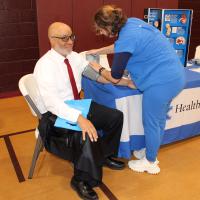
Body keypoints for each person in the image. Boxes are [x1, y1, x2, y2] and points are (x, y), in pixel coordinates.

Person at [33, 22, 129, 200]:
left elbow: (96, 75)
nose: (70, 42)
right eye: (64, 38)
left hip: (76, 105)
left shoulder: (74, 57)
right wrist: (79, 118)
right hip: (53, 115)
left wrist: (121, 80)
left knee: (115, 117)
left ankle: (104, 155)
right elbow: (52, 102)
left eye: (71, 37)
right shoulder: (44, 66)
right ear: (51, 40)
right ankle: (80, 180)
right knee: (84, 133)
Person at [87, 5, 185, 174]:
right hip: (175, 76)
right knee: (159, 120)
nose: (101, 34)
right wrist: (99, 50)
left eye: (101, 30)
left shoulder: (126, 38)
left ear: (109, 27)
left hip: (161, 83)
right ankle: (151, 152)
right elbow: (121, 46)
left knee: (152, 122)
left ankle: (150, 162)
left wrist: (98, 68)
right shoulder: (132, 23)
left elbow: (115, 78)